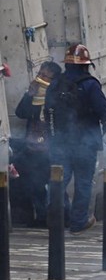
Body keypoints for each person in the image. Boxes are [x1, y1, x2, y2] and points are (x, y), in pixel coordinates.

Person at [45, 44, 106, 234]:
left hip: (60, 142)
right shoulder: (90, 84)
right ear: (86, 64)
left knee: (58, 182)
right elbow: (104, 112)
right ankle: (78, 222)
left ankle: (57, 220)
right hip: (86, 143)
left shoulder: (55, 84)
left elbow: (48, 112)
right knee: (83, 183)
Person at [14, 61, 62, 227]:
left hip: (51, 147)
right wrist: (29, 94)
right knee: (35, 184)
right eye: (39, 74)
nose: (40, 78)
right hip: (33, 147)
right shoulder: (35, 95)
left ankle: (61, 216)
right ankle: (41, 217)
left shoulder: (58, 96)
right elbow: (20, 113)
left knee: (55, 184)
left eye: (44, 76)